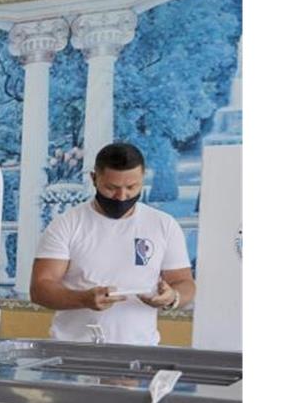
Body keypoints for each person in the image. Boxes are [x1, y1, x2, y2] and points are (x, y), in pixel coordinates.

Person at [30, 142, 196, 345]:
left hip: (140, 353)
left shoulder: (164, 225)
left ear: (142, 179)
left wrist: (173, 297)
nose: (122, 196)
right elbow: (40, 288)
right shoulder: (66, 224)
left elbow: (185, 282)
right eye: (111, 188)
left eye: (131, 187)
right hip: (72, 352)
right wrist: (83, 299)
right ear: (94, 179)